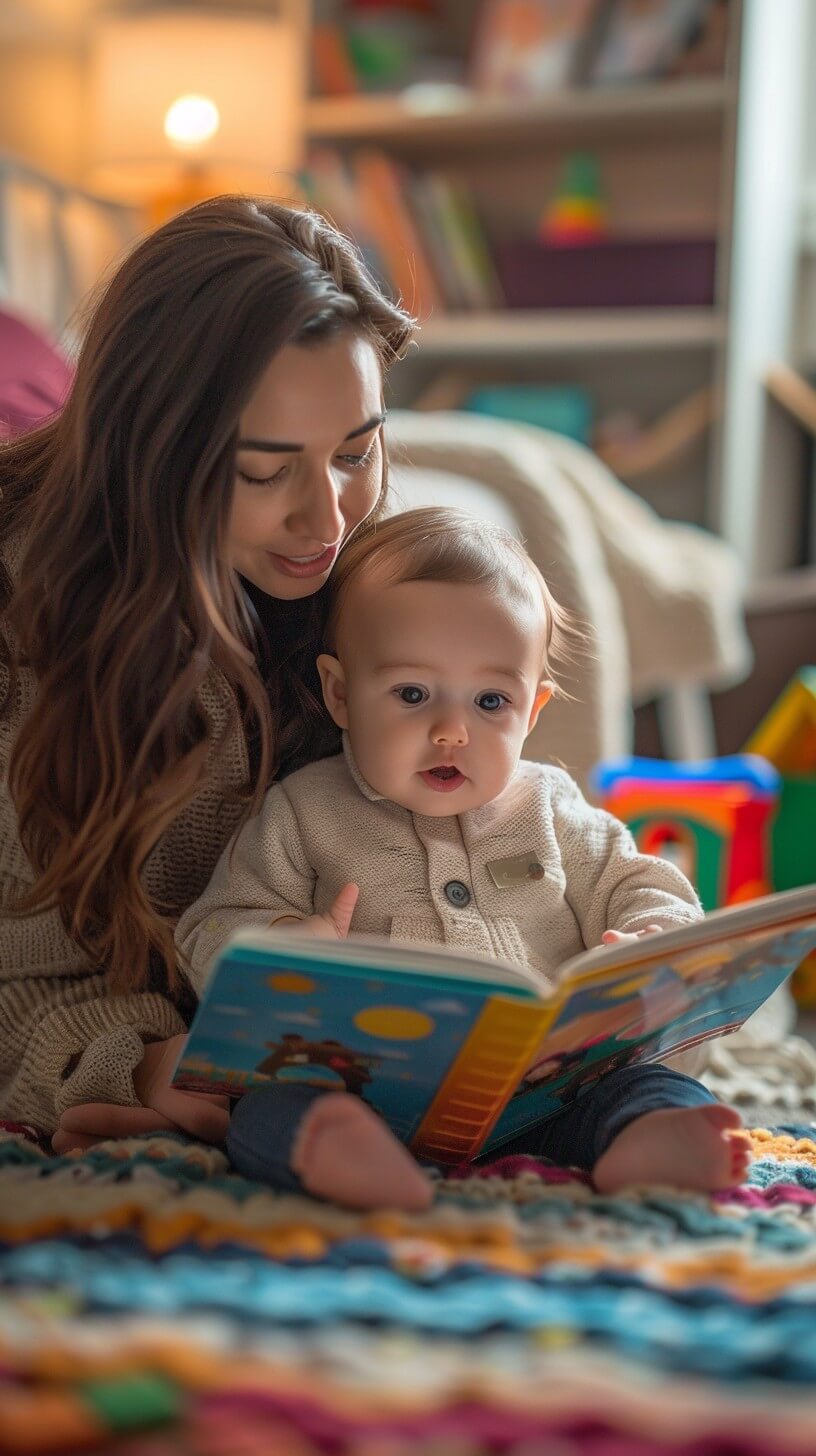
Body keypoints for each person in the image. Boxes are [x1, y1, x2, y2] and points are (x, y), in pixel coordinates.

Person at [177, 508, 752, 1212]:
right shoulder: (304, 810)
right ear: (340, 693)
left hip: (548, 1093)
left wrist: (654, 938)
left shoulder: (551, 806)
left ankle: (654, 1139)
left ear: (532, 711)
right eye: (412, 694)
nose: (451, 731)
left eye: (490, 701)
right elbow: (211, 926)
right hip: (363, 1090)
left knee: (641, 1090)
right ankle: (336, 1148)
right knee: (269, 1112)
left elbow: (642, 882)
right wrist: (278, 945)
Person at [0, 194, 413, 1151]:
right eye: (264, 473)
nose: (329, 519)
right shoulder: (26, 624)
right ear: (153, 452)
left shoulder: (363, 575)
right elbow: (15, 976)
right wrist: (131, 1060)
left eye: (357, 451)